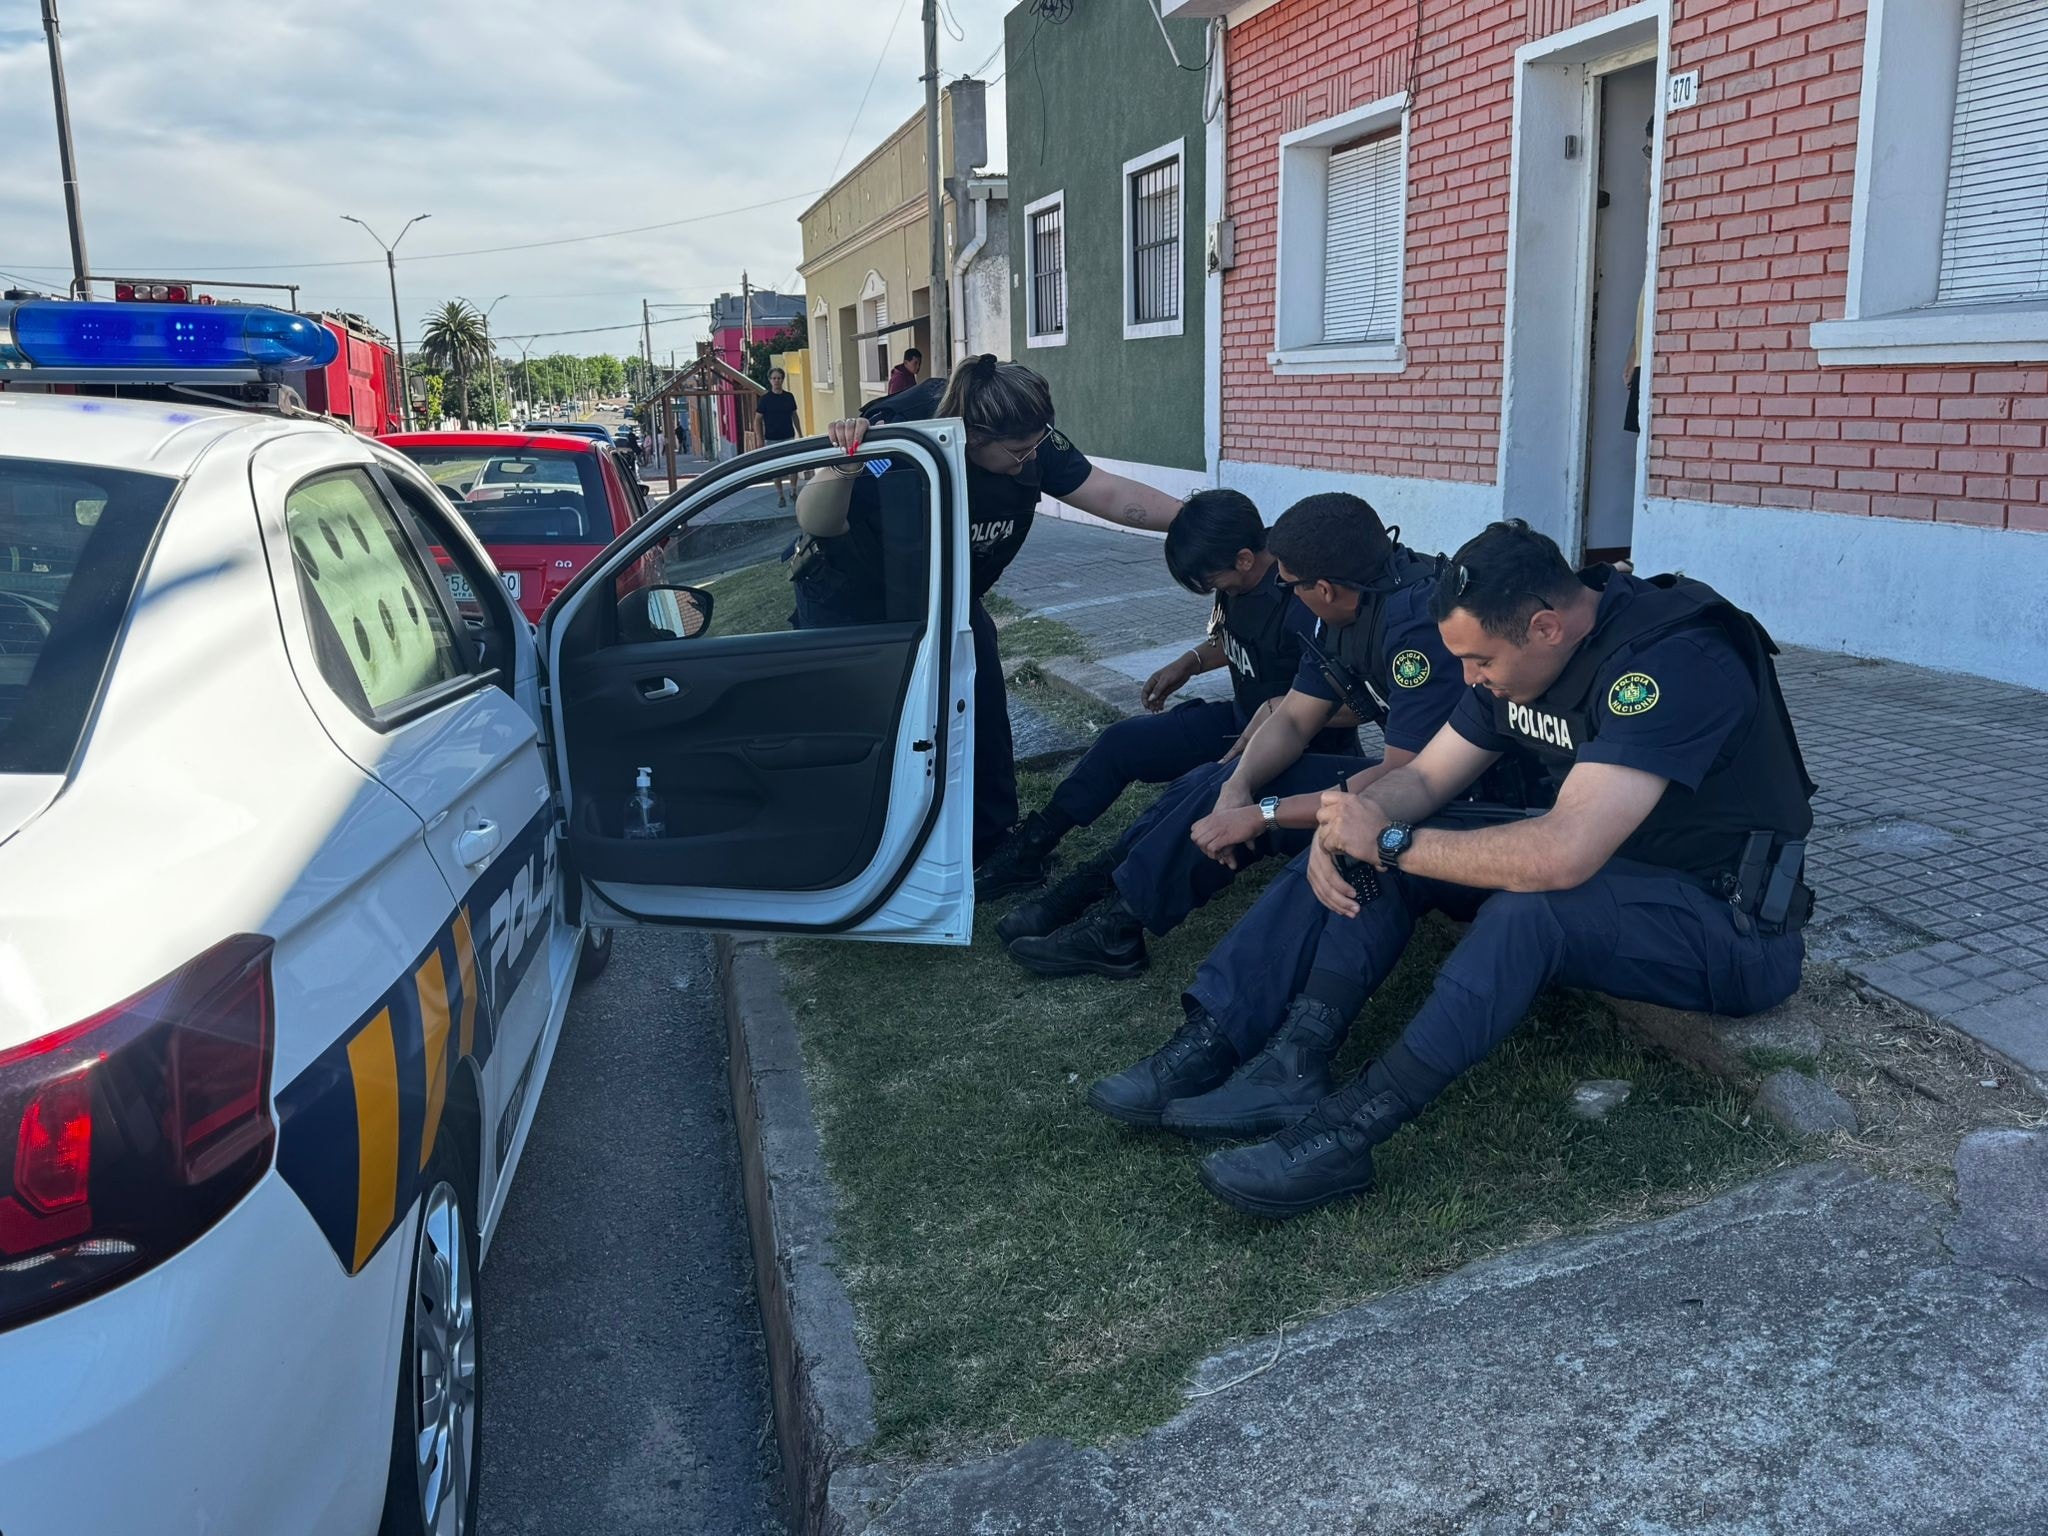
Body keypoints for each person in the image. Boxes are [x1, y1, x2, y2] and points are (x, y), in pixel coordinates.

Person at [1095, 520, 1817, 1218]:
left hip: (1728, 925)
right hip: (1620, 878)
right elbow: (1428, 778)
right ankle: (1279, 1054)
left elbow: (1564, 853)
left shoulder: (1673, 659)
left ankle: (1348, 1131)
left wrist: (1390, 842)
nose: (1470, 680)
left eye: (1481, 664)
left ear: (1545, 627)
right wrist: (1355, 817)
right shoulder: (1522, 651)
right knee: (1376, 823)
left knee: (1530, 907)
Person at [1003, 492, 1477, 982]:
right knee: (1218, 780)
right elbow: (1293, 718)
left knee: (1252, 797)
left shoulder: (1413, 626)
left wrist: (1260, 813)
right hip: (1402, 783)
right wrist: (1238, 785)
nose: (1287, 594)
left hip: (1455, 803)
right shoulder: (1343, 609)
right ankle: (1110, 909)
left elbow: (1405, 778)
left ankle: (1119, 919)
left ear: (1326, 589)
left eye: (1292, 585)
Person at [795, 355, 1183, 862]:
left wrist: (1198, 517)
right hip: (857, 598)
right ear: (975, 437)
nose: (1031, 460)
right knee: (873, 730)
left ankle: (988, 840)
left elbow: (1108, 492)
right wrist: (844, 459)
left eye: (1037, 446)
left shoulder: (1030, 435)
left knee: (979, 710)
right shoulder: (900, 433)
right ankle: (865, 851)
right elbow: (819, 522)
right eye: (1019, 453)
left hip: (948, 597)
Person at [973, 489, 1360, 904]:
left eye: (1211, 581)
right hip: (1238, 723)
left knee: (1188, 798)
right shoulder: (1235, 574)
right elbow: (1235, 638)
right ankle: (1031, 846)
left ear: (1245, 559)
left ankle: (1104, 895)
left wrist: (1282, 711)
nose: (1213, 589)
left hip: (1302, 750)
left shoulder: (1301, 600)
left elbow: (1356, 705)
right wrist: (1189, 662)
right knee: (1121, 743)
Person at [757, 367, 803, 506]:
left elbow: (794, 415)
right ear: (770, 380)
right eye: (774, 378)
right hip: (772, 438)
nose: (776, 380)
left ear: (782, 379)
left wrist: (799, 433)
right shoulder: (765, 399)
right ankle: (780, 495)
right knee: (776, 469)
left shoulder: (789, 397)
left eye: (779, 378)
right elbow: (757, 419)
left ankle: (793, 491)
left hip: (788, 436)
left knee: (793, 466)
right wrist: (759, 439)